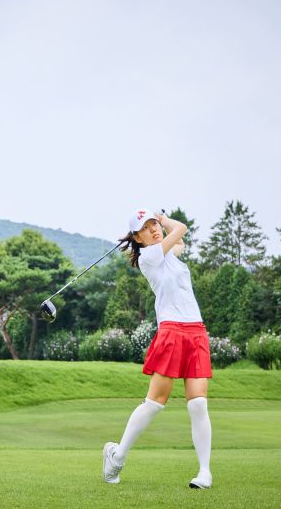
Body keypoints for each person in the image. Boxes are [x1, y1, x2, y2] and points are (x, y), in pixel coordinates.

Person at [102, 208, 213, 489]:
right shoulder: (148, 256)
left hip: (196, 331)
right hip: (172, 331)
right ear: (137, 238)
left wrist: (162, 222)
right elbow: (182, 229)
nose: (153, 229)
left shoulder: (169, 257)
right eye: (146, 227)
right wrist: (165, 220)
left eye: (154, 224)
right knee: (154, 404)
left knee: (198, 404)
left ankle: (204, 472)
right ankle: (117, 456)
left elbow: (180, 243)